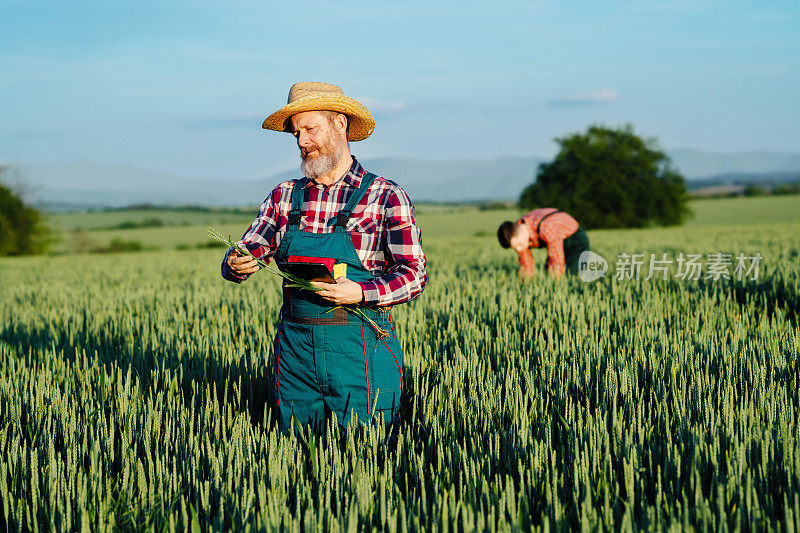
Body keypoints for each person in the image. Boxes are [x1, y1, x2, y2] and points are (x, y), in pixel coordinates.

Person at [221, 82, 427, 433]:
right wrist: (237, 262)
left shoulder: (385, 195)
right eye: (296, 133)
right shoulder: (284, 195)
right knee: (296, 454)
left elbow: (413, 274)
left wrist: (361, 293)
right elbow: (250, 247)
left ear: (340, 124)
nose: (302, 142)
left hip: (360, 347)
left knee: (367, 453)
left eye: (310, 129)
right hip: (296, 351)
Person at [497, 208, 589, 278]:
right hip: (557, 238)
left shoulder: (546, 227)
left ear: (521, 232)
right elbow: (526, 264)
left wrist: (555, 285)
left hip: (575, 239)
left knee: (571, 274)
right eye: (515, 248)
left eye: (519, 245)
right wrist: (525, 283)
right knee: (547, 273)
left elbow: (556, 261)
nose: (519, 249)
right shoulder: (517, 234)